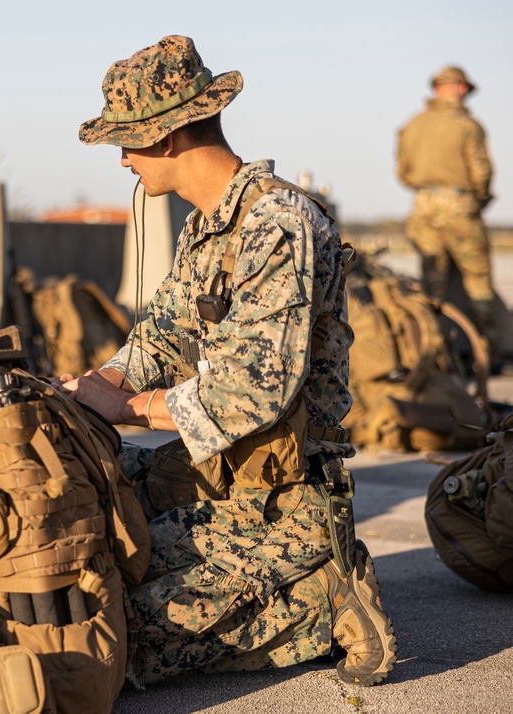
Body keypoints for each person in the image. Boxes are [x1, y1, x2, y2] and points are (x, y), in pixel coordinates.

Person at [57, 36, 397, 687]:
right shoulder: (209, 225)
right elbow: (157, 340)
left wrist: (125, 408)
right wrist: (85, 390)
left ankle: (322, 595)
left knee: (108, 635)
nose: (122, 159)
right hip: (218, 467)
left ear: (167, 138)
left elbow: (250, 395)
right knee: (70, 539)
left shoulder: (278, 225)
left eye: (125, 142)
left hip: (282, 488)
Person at [396, 66, 498, 361]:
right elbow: (482, 171)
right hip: (460, 206)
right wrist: (477, 199)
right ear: (452, 87)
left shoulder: (412, 125)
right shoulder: (467, 125)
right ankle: (487, 352)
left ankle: (437, 352)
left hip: (423, 206)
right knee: (478, 280)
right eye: (462, 86)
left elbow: (403, 172)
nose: (465, 92)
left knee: (431, 285)